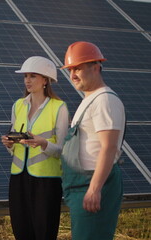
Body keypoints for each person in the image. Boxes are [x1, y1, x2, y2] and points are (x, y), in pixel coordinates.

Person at [60, 41, 125, 240]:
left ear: (96, 68)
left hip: (94, 186)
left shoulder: (105, 100)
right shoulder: (89, 99)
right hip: (82, 185)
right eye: (70, 70)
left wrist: (94, 189)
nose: (72, 75)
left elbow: (109, 147)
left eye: (78, 68)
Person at [1, 56, 69, 240]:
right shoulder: (18, 106)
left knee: (44, 232)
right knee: (21, 231)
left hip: (46, 182)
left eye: (33, 76)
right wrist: (9, 144)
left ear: (45, 80)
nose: (27, 80)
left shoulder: (59, 107)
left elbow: (63, 150)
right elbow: (15, 146)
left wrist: (44, 144)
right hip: (18, 179)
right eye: (25, 76)